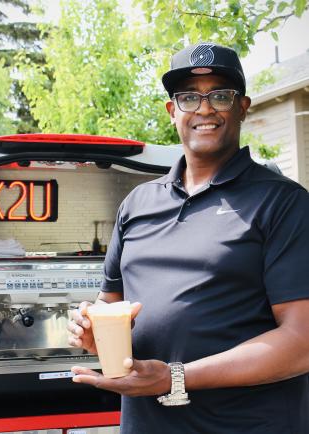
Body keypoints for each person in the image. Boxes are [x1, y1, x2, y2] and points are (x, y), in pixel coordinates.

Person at [67, 42, 309, 433]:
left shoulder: (282, 203)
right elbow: (110, 307)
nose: (205, 108)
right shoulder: (137, 204)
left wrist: (174, 377)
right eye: (189, 97)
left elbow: (301, 343)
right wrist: (93, 333)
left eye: (220, 95)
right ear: (172, 111)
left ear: (242, 106)